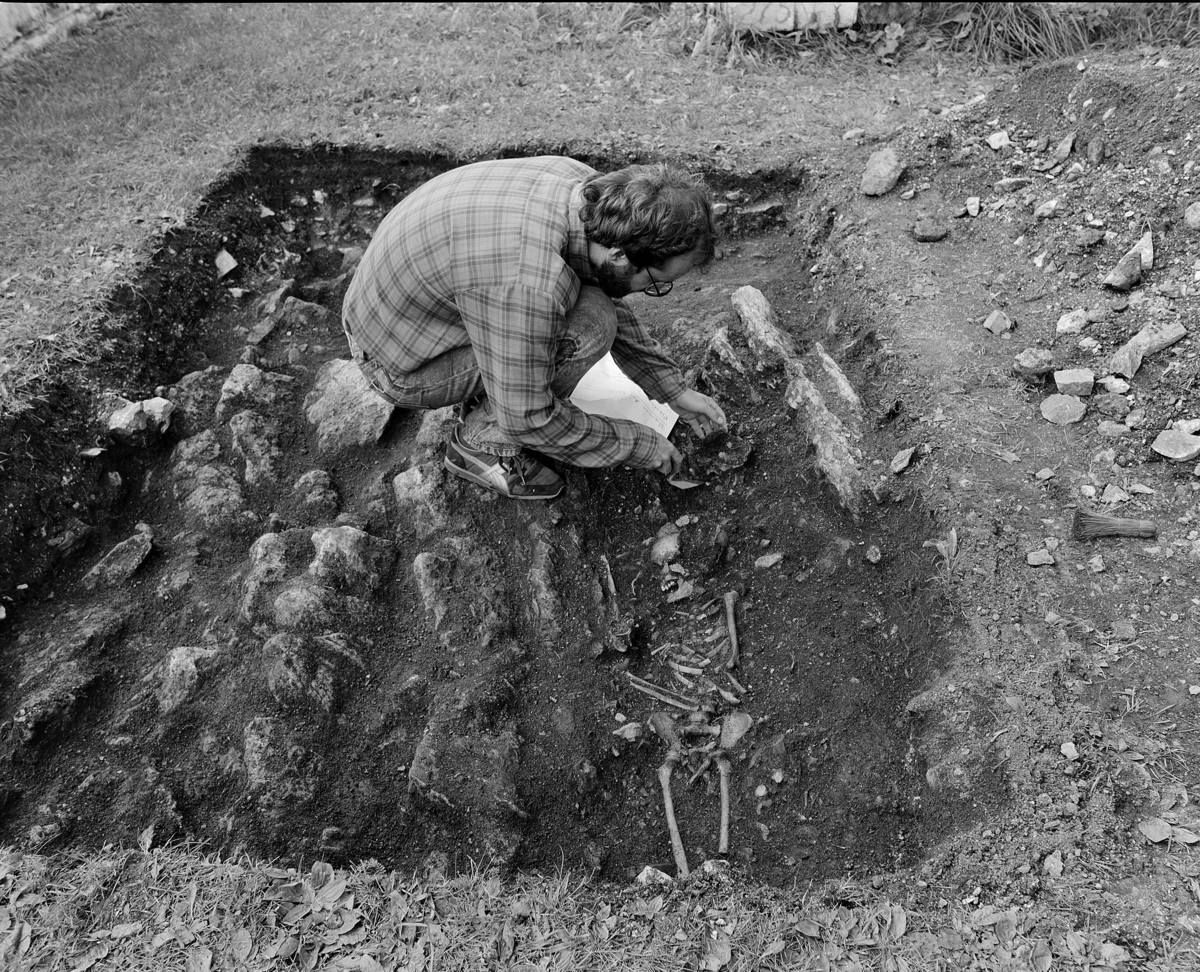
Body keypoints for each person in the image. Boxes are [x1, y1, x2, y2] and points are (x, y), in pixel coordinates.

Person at [341, 155, 727, 500]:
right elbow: (528, 419)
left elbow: (601, 283)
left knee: (590, 305)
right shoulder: (531, 285)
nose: (651, 292)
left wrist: (671, 389)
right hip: (396, 363)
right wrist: (639, 444)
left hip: (407, 313)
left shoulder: (587, 191)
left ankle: (500, 380)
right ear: (620, 254)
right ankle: (479, 443)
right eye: (656, 284)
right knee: (590, 328)